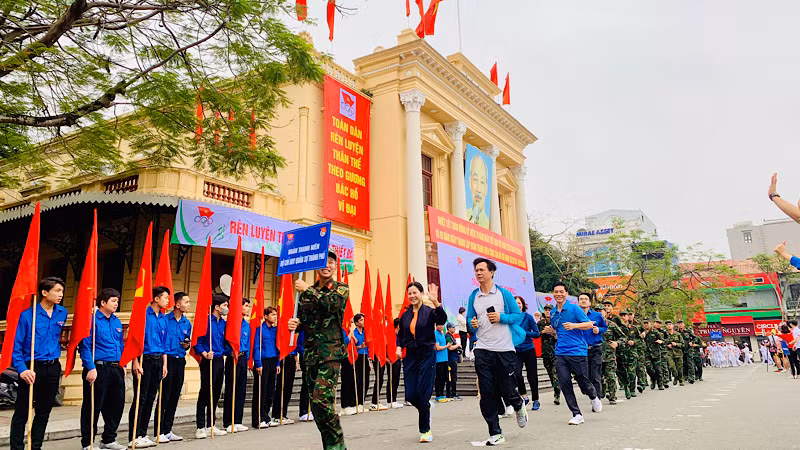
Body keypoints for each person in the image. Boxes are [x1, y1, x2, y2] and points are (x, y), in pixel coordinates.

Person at [288, 250, 349, 450]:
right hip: (311, 356)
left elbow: (330, 305)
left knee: (322, 400)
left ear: (335, 267)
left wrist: (307, 290)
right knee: (316, 405)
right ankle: (330, 445)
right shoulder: (306, 292)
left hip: (331, 353)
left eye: (331, 262)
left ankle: (337, 445)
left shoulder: (340, 289)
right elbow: (307, 322)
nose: (327, 265)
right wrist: (295, 325)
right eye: (324, 261)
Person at [466, 258, 528, 445]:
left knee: (507, 389)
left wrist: (502, 317)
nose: (478, 273)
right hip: (483, 348)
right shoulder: (474, 296)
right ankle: (495, 433)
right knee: (486, 393)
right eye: (476, 270)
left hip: (504, 349)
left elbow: (518, 316)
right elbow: (470, 318)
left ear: (491, 272)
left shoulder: (504, 294)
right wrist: (472, 323)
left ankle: (518, 405)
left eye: (482, 270)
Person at [9, 277, 68, 450]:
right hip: (32, 368)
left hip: (53, 367)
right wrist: (22, 370)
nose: (60, 295)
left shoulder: (61, 313)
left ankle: (36, 446)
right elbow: (16, 346)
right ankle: (17, 447)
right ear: (44, 292)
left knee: (44, 412)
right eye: (57, 291)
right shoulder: (28, 316)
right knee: (22, 412)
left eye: (62, 291)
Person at [397, 281, 447, 443]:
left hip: (427, 354)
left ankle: (425, 430)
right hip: (411, 355)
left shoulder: (429, 312)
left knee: (423, 392)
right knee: (411, 395)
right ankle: (426, 407)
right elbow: (401, 335)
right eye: (409, 293)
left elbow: (442, 320)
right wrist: (399, 347)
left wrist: (435, 302)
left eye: (415, 293)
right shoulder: (405, 315)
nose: (412, 296)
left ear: (421, 293)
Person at [78, 288, 126, 450]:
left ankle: (108, 439)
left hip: (115, 368)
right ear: (103, 302)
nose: (116, 304)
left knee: (116, 405)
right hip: (98, 368)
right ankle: (88, 442)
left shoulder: (116, 321)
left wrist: (122, 364)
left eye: (117, 301)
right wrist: (90, 367)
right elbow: (85, 346)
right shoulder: (91, 320)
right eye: (113, 301)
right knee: (93, 406)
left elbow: (120, 344)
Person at [548, 282, 602, 425]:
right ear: (553, 294)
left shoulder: (574, 309)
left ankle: (594, 396)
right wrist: (551, 331)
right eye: (556, 292)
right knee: (564, 383)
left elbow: (590, 324)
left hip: (577, 351)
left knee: (583, 381)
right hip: (560, 352)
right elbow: (558, 331)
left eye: (561, 292)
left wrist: (574, 325)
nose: (558, 294)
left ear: (566, 294)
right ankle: (577, 414)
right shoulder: (553, 312)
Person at [127, 286, 170, 448]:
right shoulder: (143, 315)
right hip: (145, 359)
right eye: (165, 297)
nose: (167, 301)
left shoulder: (163, 318)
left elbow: (164, 343)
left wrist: (165, 364)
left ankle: (143, 434)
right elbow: (134, 339)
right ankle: (134, 435)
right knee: (141, 398)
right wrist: (135, 362)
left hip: (159, 360)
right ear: (156, 299)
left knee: (151, 397)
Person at [194, 294, 228, 439]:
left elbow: (226, 342)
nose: (227, 308)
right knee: (205, 392)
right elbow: (198, 342)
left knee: (216, 392)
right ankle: (200, 427)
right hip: (208, 360)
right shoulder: (206, 321)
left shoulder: (224, 323)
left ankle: (211, 424)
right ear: (216, 307)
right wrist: (204, 353)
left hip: (220, 360)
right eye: (225, 305)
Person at [160, 292, 192, 443]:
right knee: (164, 397)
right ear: (177, 304)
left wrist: (187, 345)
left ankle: (168, 429)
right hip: (167, 361)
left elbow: (187, 345)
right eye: (186, 302)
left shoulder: (187, 323)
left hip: (180, 361)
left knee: (174, 397)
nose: (189, 304)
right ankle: (159, 430)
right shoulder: (165, 320)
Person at [224, 297, 251, 432]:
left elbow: (247, 344)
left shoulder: (247, 325)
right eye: (245, 306)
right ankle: (228, 421)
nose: (247, 308)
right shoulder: (230, 323)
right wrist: (230, 352)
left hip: (242, 358)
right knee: (231, 389)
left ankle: (238, 420)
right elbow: (224, 343)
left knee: (241, 389)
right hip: (232, 358)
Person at [252, 306, 279, 429]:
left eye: (275, 314)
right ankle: (258, 418)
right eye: (272, 314)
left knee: (270, 391)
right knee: (261, 391)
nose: (275, 317)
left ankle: (266, 416)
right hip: (263, 361)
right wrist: (258, 363)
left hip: (273, 360)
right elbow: (256, 346)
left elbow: (278, 347)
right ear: (266, 316)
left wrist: (278, 363)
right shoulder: (260, 329)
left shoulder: (275, 330)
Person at [512, 296, 540, 411]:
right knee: (517, 374)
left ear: (523, 305)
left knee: (532, 376)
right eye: (515, 303)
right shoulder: (510, 319)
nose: (517, 305)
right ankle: (524, 396)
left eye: (519, 303)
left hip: (529, 349)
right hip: (516, 350)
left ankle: (536, 400)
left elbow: (537, 334)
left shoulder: (528, 318)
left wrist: (524, 333)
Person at [578, 293, 606, 401]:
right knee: (583, 376)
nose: (584, 301)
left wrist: (599, 330)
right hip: (581, 350)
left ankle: (597, 400)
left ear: (590, 302)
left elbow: (604, 327)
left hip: (595, 348)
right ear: (578, 302)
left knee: (595, 376)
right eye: (581, 299)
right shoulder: (575, 316)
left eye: (586, 299)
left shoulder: (597, 315)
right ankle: (589, 391)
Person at [598, 305, 623, 405]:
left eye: (601, 311)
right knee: (598, 378)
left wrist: (617, 343)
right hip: (596, 356)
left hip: (610, 356)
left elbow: (623, 337)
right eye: (597, 311)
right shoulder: (591, 325)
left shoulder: (612, 325)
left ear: (606, 313)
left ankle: (612, 396)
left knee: (611, 377)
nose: (599, 313)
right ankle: (600, 393)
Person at [279, 331, 304, 422]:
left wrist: (296, 360)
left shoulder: (293, 331)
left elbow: (295, 345)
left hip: (292, 356)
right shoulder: (282, 328)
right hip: (283, 357)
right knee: (282, 387)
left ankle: (284, 413)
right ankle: (278, 414)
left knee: (289, 388)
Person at [538, 304, 560, 405]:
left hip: (556, 352)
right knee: (550, 374)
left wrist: (553, 332)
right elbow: (535, 333)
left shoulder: (556, 322)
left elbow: (562, 334)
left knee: (555, 373)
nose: (548, 311)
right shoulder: (541, 323)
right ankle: (556, 388)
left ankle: (557, 393)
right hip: (545, 352)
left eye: (549, 310)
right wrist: (542, 332)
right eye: (546, 310)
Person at [352, 313, 370, 413]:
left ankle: (362, 402)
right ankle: (356, 402)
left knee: (366, 380)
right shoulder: (354, 333)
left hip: (365, 356)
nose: (363, 322)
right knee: (358, 380)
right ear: (356, 322)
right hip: (357, 357)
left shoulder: (366, 332)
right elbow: (351, 347)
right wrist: (359, 346)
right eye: (361, 320)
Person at [467, 155, 489, 227]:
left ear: (486, 188)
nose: (478, 190)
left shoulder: (490, 224)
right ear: (470, 182)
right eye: (475, 180)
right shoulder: (464, 214)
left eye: (482, 182)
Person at [643, 320, 664, 390]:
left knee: (658, 369)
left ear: (650, 324)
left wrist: (660, 342)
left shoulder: (655, 332)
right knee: (649, 368)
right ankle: (653, 379)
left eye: (647, 323)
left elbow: (662, 340)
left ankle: (660, 384)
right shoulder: (642, 332)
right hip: (646, 354)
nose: (646, 325)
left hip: (655, 353)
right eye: (644, 324)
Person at [389, 319, 404, 408]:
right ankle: (390, 399)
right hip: (391, 359)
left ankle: (394, 399)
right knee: (392, 380)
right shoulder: (392, 335)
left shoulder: (399, 336)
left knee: (396, 380)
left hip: (398, 359)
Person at [445, 323, 462, 400]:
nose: (455, 329)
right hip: (450, 359)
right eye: (453, 327)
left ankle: (453, 392)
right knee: (451, 377)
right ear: (448, 328)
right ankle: (451, 393)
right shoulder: (448, 336)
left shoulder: (452, 336)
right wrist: (457, 345)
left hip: (454, 358)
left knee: (454, 377)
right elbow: (450, 347)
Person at [434, 323, 450, 402]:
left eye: (442, 325)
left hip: (445, 358)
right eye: (439, 325)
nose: (441, 327)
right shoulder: (435, 334)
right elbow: (437, 347)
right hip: (439, 359)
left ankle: (442, 394)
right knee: (439, 377)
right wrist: (446, 346)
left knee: (444, 377)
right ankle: (438, 394)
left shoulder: (442, 334)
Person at [665, 321, 685, 386]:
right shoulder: (664, 335)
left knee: (679, 368)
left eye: (670, 324)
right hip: (669, 353)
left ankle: (681, 380)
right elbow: (662, 342)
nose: (669, 326)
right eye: (667, 325)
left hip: (678, 353)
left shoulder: (678, 334)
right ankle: (675, 376)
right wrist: (667, 345)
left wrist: (676, 344)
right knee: (671, 366)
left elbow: (683, 344)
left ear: (673, 326)